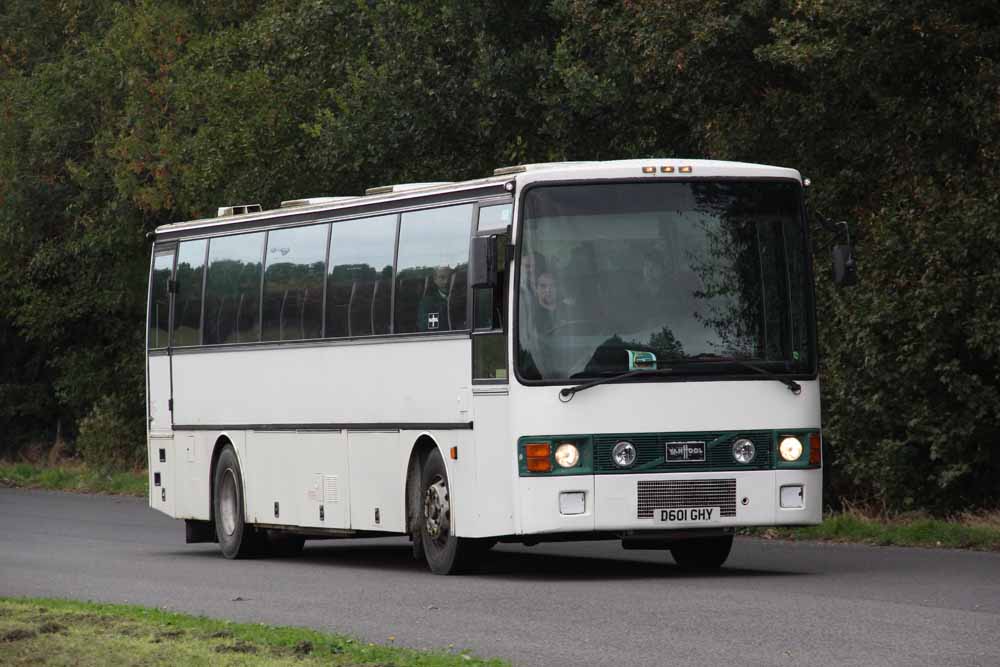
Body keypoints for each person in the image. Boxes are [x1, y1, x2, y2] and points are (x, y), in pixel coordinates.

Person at [417, 265, 452, 331]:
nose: (446, 281)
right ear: (435, 280)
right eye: (442, 277)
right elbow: (424, 326)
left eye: (449, 278)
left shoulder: (464, 297)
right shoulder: (427, 302)